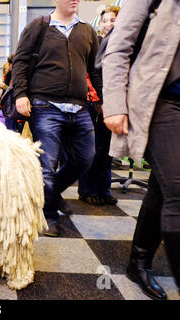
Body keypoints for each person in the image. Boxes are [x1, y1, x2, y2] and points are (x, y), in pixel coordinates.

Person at [102, 0, 179, 299]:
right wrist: (115, 104)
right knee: (177, 189)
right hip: (163, 100)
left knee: (162, 187)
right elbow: (119, 48)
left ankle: (139, 260)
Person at [12, 0, 102, 237]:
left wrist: (103, 100)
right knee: (47, 167)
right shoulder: (39, 26)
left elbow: (95, 69)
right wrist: (21, 94)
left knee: (85, 159)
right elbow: (19, 62)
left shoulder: (87, 30)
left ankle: (50, 194)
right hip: (45, 105)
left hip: (79, 106)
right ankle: (48, 215)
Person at [77, 6, 120, 207]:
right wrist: (99, 101)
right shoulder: (95, 44)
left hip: (115, 106)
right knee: (93, 149)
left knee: (108, 151)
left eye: (112, 20)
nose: (108, 24)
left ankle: (104, 189)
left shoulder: (123, 46)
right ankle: (87, 190)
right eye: (105, 21)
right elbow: (88, 76)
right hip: (95, 104)